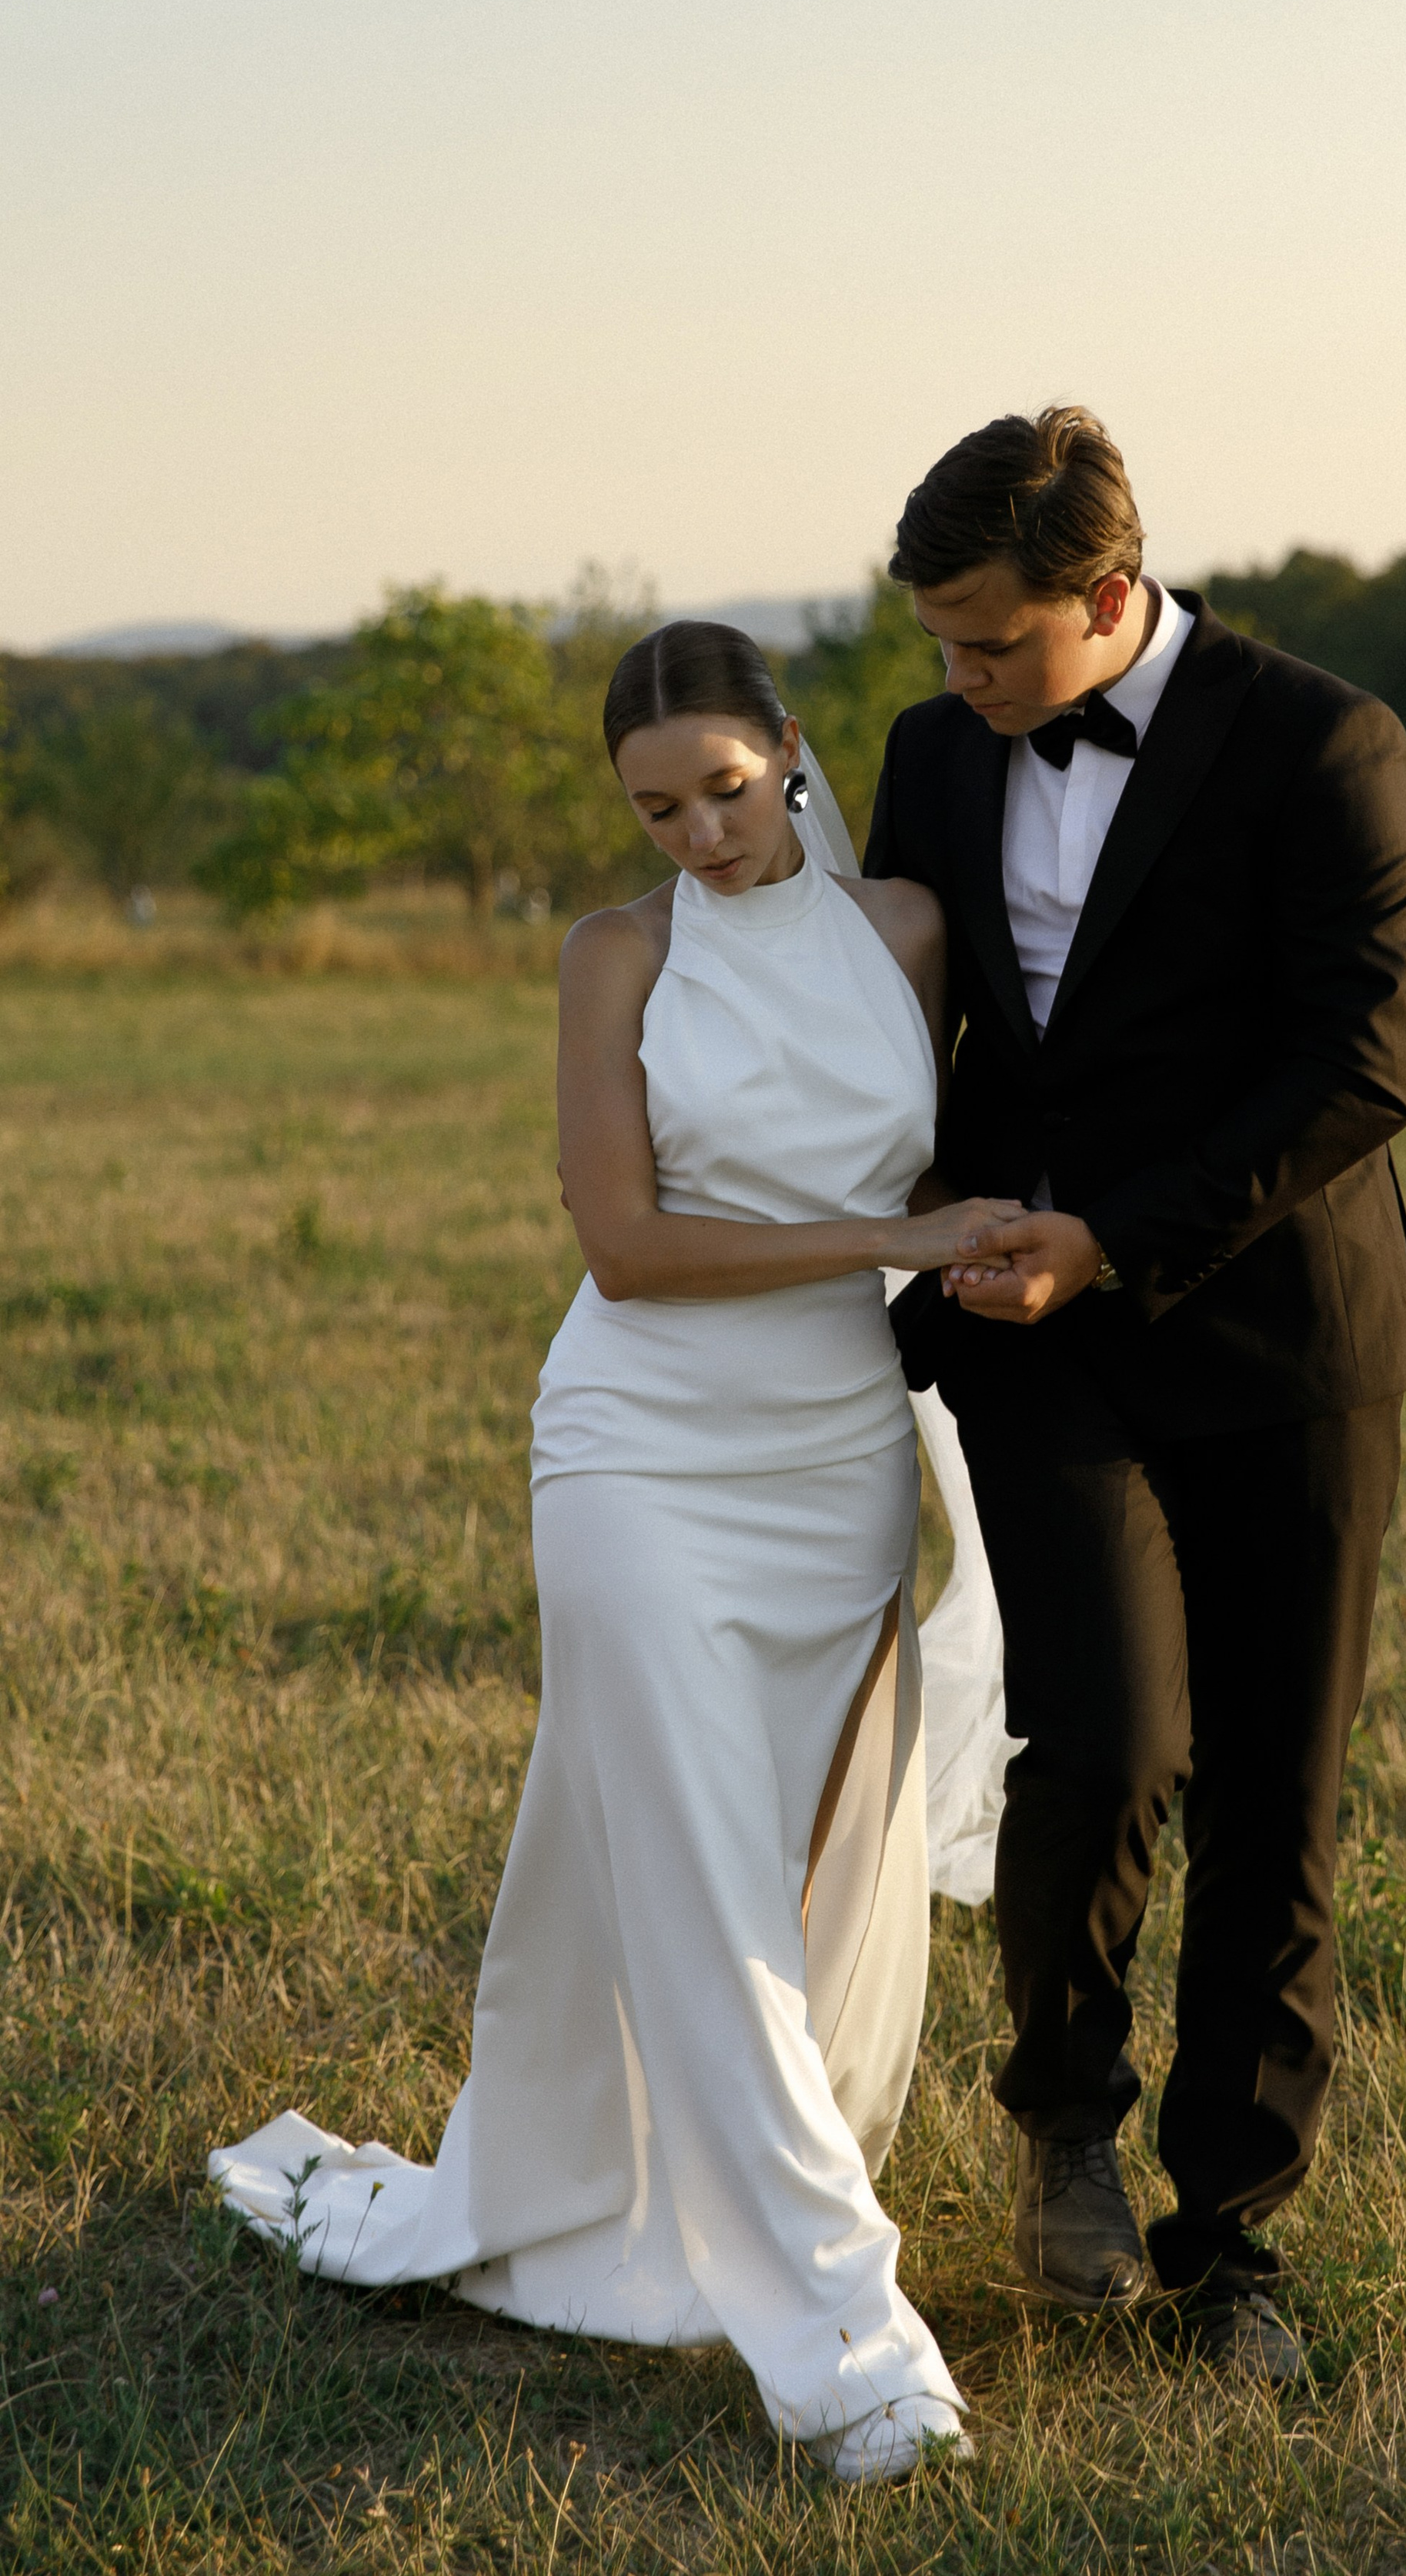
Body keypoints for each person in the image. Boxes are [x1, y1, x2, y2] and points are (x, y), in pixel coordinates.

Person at [210, 622, 1019, 2484]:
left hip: (833, 1459)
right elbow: (628, 1246)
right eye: (655, 811)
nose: (697, 837)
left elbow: (935, 1166)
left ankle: (683, 2198)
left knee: (793, 1872)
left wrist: (966, 1246)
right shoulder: (614, 956)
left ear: (789, 749)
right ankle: (851, 2348)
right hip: (636, 1448)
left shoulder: (903, 931)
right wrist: (889, 1241)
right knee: (701, 1869)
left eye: (723, 792)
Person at [865, 405, 1406, 2384]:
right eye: (939, 643)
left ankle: (1230, 2243)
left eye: (991, 642)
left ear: (1108, 592)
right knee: (1100, 1743)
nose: (959, 679)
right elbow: (895, 1026)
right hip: (1035, 1337)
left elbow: (1358, 1066)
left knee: (1275, 1790)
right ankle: (1061, 2127)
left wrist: (1113, 1232)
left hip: (1285, 1341)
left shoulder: (1325, 742)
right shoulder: (933, 751)